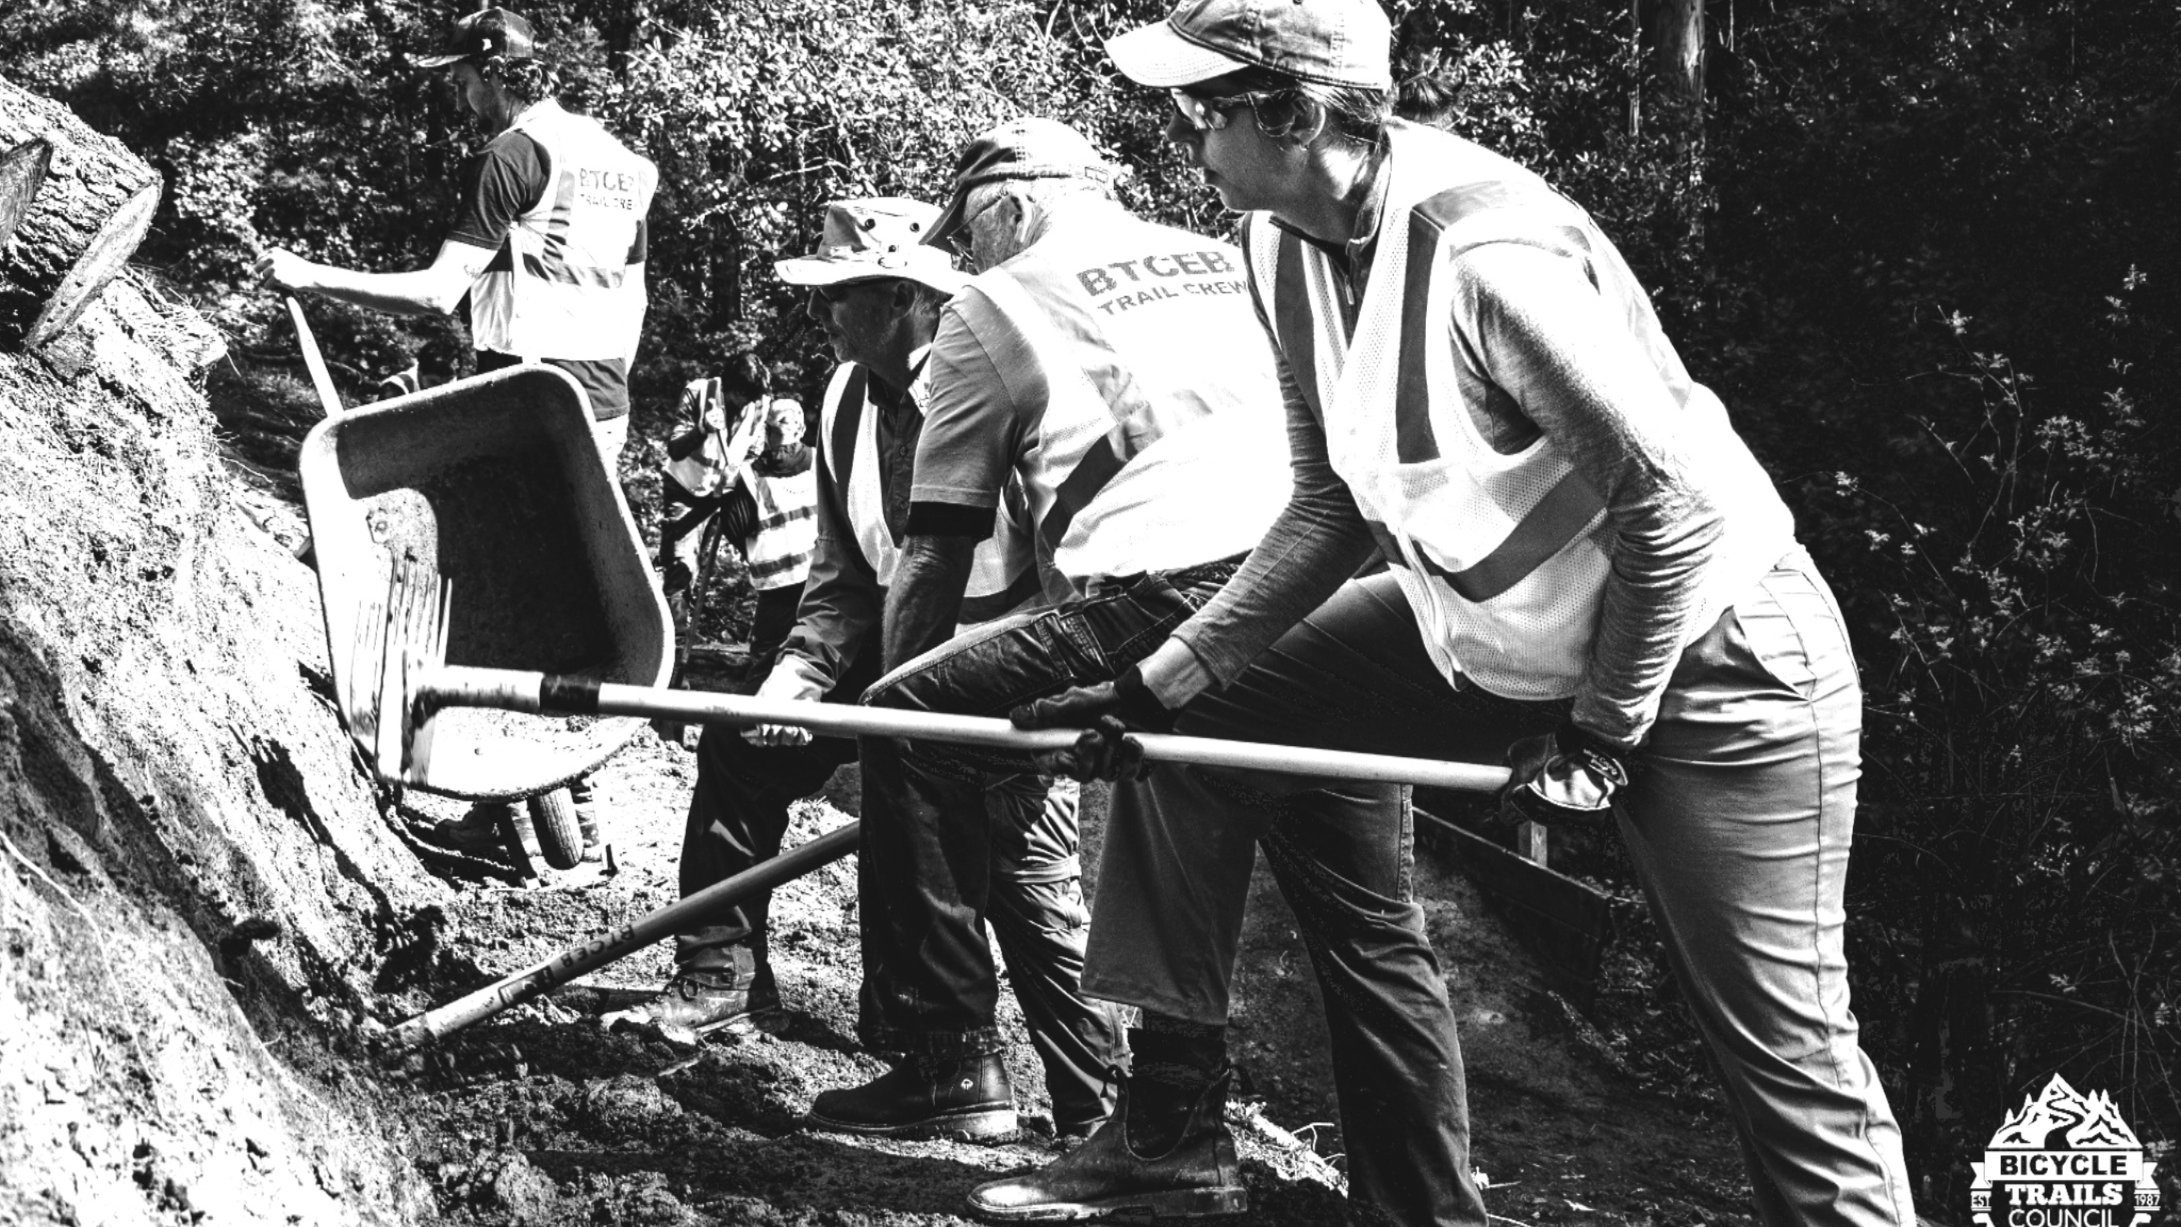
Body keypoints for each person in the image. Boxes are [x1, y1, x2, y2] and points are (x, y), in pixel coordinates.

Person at [985, 2, 1922, 1225]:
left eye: (1203, 109)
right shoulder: (1279, 242)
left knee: (1780, 1055)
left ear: (1299, 114)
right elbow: (1327, 506)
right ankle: (1169, 1122)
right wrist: (1156, 680)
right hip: (1496, 637)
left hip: (1714, 659)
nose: (1183, 137)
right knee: (1197, 728)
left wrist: (1604, 729)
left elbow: (1673, 510)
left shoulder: (1486, 260)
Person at [833, 118, 1290, 1185]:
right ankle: (1416, 1193)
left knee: (907, 729)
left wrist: (898, 713)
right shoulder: (1223, 262)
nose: (968, 261)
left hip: (1162, 593)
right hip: (1313, 583)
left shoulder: (997, 304)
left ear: (1013, 209)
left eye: (969, 237)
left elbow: (934, 552)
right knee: (1364, 913)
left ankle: (948, 1059)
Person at [658, 198, 1121, 1144]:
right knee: (746, 743)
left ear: (910, 297)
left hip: (1020, 661)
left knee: (1021, 874)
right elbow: (844, 578)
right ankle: (738, 981)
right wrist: (798, 675)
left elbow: (1077, 569)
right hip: (900, 653)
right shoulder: (840, 398)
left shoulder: (1008, 376)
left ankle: (1097, 1107)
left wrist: (1014, 693)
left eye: (844, 294)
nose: (822, 314)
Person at [255, 6, 656, 469]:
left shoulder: (512, 155)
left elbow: (438, 293)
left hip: (530, 406)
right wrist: (599, 388)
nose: (462, 100)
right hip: (606, 409)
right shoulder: (626, 165)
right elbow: (635, 303)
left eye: (463, 82)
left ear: (494, 73)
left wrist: (309, 276)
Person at [658, 355, 817, 680]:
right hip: (686, 493)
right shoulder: (698, 393)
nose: (755, 404)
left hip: (727, 491)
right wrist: (702, 428)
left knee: (768, 559)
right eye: (748, 397)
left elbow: (758, 449)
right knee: (681, 570)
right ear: (731, 391)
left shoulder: (759, 404)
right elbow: (674, 448)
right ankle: (673, 663)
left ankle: (773, 635)